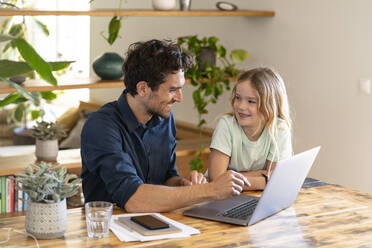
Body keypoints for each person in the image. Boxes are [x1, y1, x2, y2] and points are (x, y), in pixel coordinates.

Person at [81, 39, 250, 213]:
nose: (179, 98)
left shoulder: (164, 119)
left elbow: (167, 177)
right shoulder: (101, 127)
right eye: (172, 90)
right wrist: (210, 190)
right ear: (143, 89)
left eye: (180, 89)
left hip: (156, 222)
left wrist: (183, 184)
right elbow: (133, 199)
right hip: (108, 230)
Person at [208, 67, 292, 190]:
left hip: (254, 197)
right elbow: (216, 180)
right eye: (238, 97)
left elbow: (278, 180)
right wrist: (262, 179)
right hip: (220, 198)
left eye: (251, 101)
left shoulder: (279, 128)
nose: (241, 106)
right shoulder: (226, 125)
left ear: (270, 105)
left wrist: (233, 178)